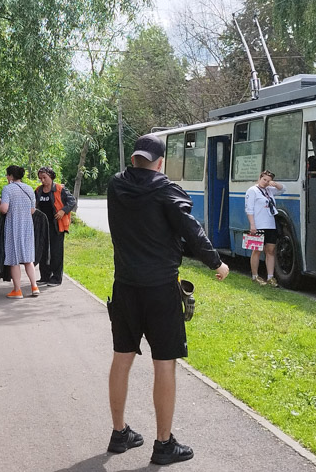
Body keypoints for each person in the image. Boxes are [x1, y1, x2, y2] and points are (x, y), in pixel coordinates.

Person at [106, 134, 230, 466]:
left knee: (122, 358)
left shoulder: (115, 186)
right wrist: (216, 262)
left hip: (125, 287)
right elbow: (191, 228)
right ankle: (163, 444)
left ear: (134, 159)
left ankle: (119, 434)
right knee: (165, 363)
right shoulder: (165, 188)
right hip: (160, 288)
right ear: (160, 162)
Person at [0, 165, 39, 299]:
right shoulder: (29, 189)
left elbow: (4, 209)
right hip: (27, 225)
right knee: (28, 258)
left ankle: (17, 290)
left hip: (13, 226)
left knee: (14, 258)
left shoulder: (7, 189)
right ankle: (34, 286)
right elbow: (33, 210)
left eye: (7, 175)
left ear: (10, 176)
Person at [34, 167, 77, 287]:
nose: (42, 181)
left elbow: (72, 201)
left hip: (56, 225)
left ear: (51, 177)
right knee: (43, 251)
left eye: (44, 178)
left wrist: (63, 211)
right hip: (43, 226)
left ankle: (56, 278)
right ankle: (45, 276)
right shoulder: (38, 191)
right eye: (40, 178)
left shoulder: (60, 189)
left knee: (56, 251)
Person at [245, 170, 284, 286]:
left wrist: (275, 184)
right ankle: (255, 276)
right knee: (257, 250)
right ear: (259, 178)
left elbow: (282, 189)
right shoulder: (252, 191)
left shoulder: (269, 190)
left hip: (270, 224)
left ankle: (270, 277)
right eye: (264, 179)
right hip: (258, 225)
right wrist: (252, 225)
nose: (266, 182)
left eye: (268, 180)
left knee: (270, 250)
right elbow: (249, 209)